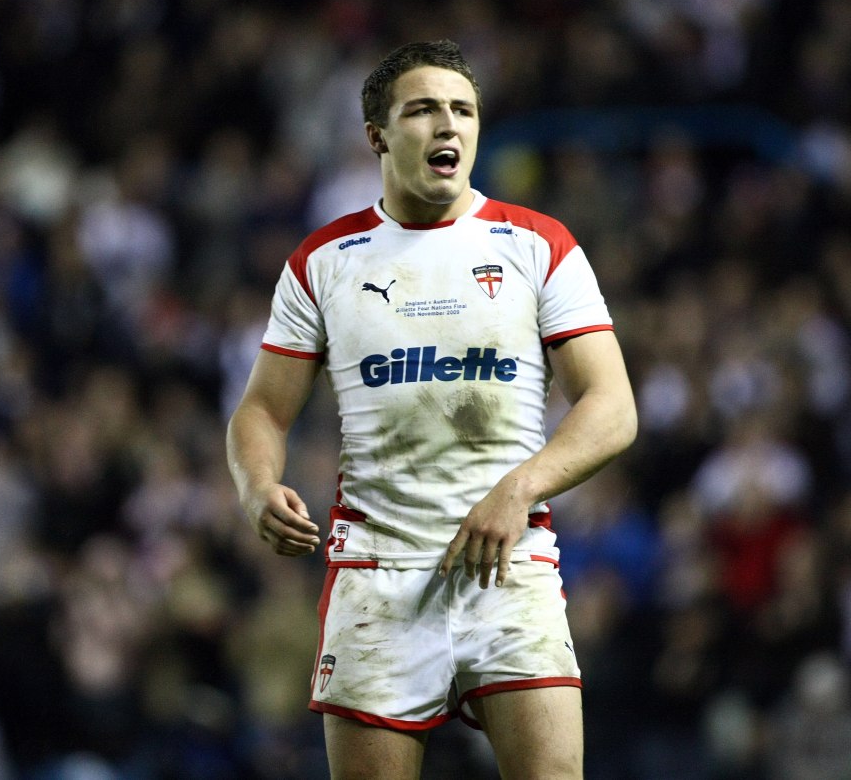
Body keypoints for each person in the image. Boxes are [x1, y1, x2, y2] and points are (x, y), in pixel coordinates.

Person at [226, 39, 637, 780]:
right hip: (377, 576)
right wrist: (258, 486)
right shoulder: (324, 259)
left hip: (509, 573)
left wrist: (519, 488)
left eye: (463, 110)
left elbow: (612, 407)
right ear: (377, 136)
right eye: (423, 109)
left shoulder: (539, 245)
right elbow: (260, 410)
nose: (448, 125)